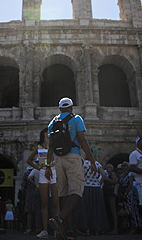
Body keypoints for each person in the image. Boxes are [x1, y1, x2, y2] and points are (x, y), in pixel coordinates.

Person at [45, 97, 97, 240]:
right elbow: (82, 140)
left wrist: (47, 166)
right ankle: (59, 220)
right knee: (76, 191)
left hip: (57, 159)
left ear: (60, 109)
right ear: (71, 108)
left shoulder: (53, 122)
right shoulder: (76, 119)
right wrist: (92, 160)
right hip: (73, 157)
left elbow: (50, 147)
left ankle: (64, 231)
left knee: (63, 195)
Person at [26, 128, 60, 239]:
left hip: (53, 171)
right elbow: (29, 160)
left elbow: (58, 159)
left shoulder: (55, 146)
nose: (49, 136)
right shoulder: (39, 147)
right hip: (42, 172)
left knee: (55, 202)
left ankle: (57, 229)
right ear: (44, 135)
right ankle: (44, 229)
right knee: (44, 202)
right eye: (47, 134)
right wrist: (37, 167)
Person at [74, 158, 108, 235]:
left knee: (85, 209)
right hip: (96, 188)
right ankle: (97, 229)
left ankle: (87, 229)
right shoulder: (97, 164)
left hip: (86, 187)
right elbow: (103, 175)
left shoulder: (83, 164)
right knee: (97, 209)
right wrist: (99, 184)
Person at [102, 163, 119, 235]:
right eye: (107, 166)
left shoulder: (112, 174)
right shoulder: (107, 173)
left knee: (113, 211)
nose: (108, 167)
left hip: (111, 194)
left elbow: (115, 181)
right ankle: (110, 227)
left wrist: (107, 179)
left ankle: (115, 228)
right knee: (109, 211)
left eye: (110, 166)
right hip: (107, 193)